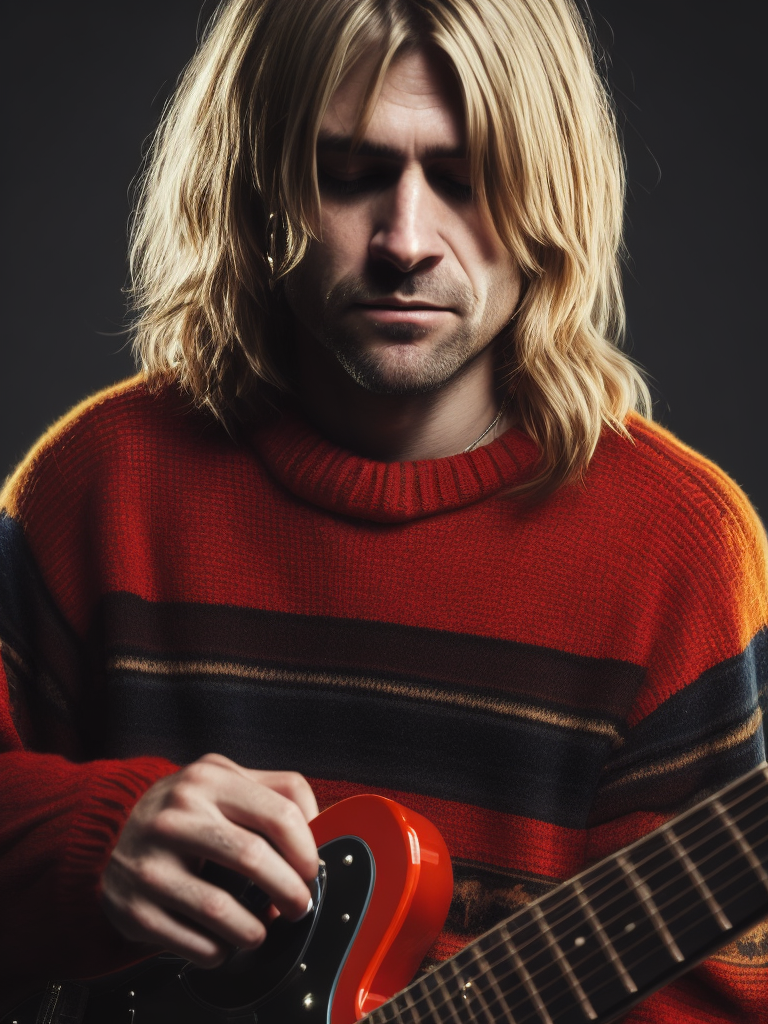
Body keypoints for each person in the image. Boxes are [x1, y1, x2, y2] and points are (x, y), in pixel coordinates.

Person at [1, 0, 766, 1019]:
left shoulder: (680, 548)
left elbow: (718, 995)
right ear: (257, 179)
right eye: (349, 174)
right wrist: (92, 840)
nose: (407, 240)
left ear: (553, 190)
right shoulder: (98, 482)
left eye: (466, 178)